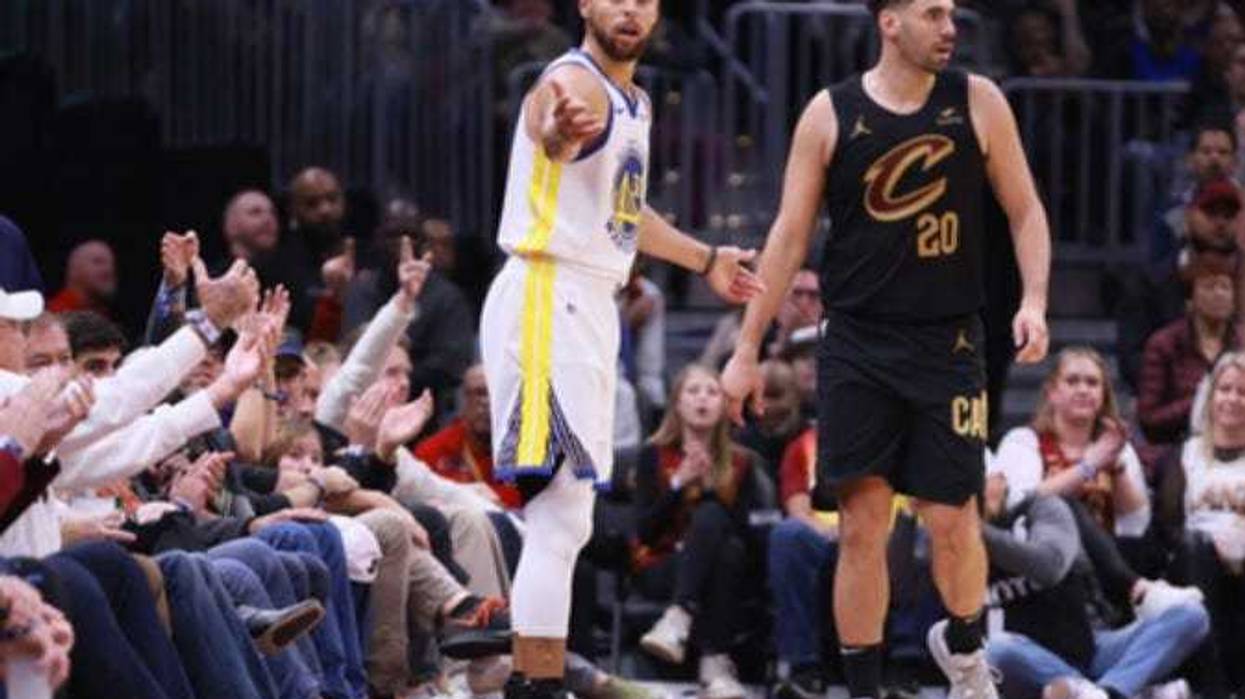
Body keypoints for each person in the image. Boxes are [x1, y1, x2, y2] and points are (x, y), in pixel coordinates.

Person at [720, 2, 1053, 699]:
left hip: (948, 340)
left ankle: (966, 656)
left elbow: (1025, 210)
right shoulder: (829, 113)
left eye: (952, 14)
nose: (950, 27)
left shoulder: (978, 101)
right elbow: (788, 236)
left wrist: (1033, 301)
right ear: (889, 22)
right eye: (932, 13)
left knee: (952, 518)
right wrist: (746, 346)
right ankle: (864, 690)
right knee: (861, 526)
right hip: (857, 343)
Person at [479, 1, 763, 697]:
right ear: (584, 4)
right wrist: (553, 133)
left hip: (587, 299)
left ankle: (536, 675)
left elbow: (625, 211)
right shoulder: (570, 81)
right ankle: (534, 683)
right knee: (557, 510)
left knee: (569, 516)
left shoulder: (634, 101)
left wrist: (705, 259)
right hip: (547, 291)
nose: (630, 8)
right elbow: (550, 123)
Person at [983, 473, 1209, 699]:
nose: (976, 493)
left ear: (1002, 480)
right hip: (1029, 668)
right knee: (997, 650)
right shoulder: (960, 547)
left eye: (983, 480)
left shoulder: (1042, 509)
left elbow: (1049, 565)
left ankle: (1105, 691)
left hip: (1089, 649)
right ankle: (1122, 692)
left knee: (1190, 615)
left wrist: (977, 530)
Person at [633, 365, 770, 699]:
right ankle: (715, 665)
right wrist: (679, 483)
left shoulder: (743, 462)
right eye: (693, 391)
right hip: (664, 563)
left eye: (712, 392)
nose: (702, 399)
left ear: (724, 405)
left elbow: (752, 536)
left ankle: (679, 617)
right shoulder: (652, 454)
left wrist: (713, 492)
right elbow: (645, 532)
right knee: (723, 549)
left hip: (727, 567)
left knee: (724, 543)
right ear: (677, 403)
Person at [1138, 255, 1239, 472]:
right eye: (1209, 287)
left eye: (1225, 287)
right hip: (1178, 447)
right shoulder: (1164, 344)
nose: (1219, 294)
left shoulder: (1242, 342)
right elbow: (1149, 419)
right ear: (1190, 299)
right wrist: (1201, 400)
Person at [47, 240, 116, 317]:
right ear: (74, 270)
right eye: (98, 262)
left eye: (112, 264)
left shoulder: (102, 314)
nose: (108, 270)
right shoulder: (56, 315)